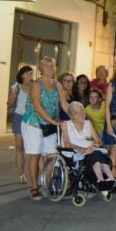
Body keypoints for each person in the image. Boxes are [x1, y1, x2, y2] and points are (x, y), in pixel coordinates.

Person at [22, 57, 67, 200]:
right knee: (35, 154)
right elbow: (38, 107)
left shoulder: (57, 84)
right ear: (40, 68)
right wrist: (53, 122)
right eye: (47, 66)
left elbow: (65, 104)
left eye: (52, 66)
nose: (50, 68)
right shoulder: (36, 84)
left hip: (50, 123)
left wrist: (76, 116)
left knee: (52, 155)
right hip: (34, 122)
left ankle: (46, 184)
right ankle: (34, 187)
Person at [60, 101, 116, 186]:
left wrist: (92, 146)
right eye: (77, 112)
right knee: (96, 156)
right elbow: (67, 144)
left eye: (82, 111)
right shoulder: (65, 124)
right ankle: (104, 180)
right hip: (74, 154)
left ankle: (109, 180)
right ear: (71, 116)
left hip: (91, 151)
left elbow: (98, 140)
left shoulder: (88, 123)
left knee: (96, 154)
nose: (81, 114)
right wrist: (84, 150)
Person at [7, 65, 33, 184]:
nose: (30, 76)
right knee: (19, 146)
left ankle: (35, 173)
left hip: (31, 119)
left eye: (31, 73)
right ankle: (21, 174)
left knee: (33, 148)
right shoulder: (16, 87)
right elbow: (10, 104)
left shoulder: (35, 86)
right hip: (18, 117)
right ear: (22, 75)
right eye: (27, 73)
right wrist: (14, 94)